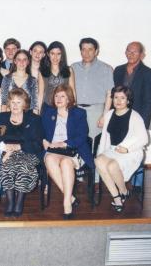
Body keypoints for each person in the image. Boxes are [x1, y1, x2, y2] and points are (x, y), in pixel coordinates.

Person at [42, 85, 94, 219]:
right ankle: (70, 197)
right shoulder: (48, 113)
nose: (58, 99)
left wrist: (64, 143)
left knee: (66, 163)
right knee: (49, 160)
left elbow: (83, 135)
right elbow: (39, 131)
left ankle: (67, 204)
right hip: (53, 149)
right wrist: (43, 140)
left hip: (72, 149)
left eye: (62, 96)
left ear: (69, 99)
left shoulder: (78, 113)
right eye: (56, 96)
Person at [95, 86, 148, 212]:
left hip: (130, 151)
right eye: (116, 97)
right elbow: (102, 130)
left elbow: (144, 139)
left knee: (112, 166)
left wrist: (127, 149)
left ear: (128, 101)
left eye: (122, 98)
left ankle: (123, 190)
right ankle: (117, 197)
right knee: (98, 161)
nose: (118, 101)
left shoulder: (135, 116)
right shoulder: (109, 114)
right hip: (113, 149)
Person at [0, 88, 44, 217]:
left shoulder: (34, 118)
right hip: (7, 153)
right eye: (12, 102)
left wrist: (19, 146)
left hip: (28, 152)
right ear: (9, 104)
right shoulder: (2, 117)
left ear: (25, 104)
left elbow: (38, 144)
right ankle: (10, 202)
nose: (15, 105)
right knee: (7, 167)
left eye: (18, 102)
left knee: (23, 167)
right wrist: (4, 147)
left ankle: (19, 202)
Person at [102, 42, 151, 130]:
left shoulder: (148, 73)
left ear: (142, 55)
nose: (131, 54)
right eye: (129, 51)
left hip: (136, 118)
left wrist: (143, 125)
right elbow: (112, 94)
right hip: (117, 116)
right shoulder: (118, 70)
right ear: (125, 52)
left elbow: (148, 101)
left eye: (135, 52)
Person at [71, 37, 114, 140]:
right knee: (76, 140)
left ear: (96, 51)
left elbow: (110, 94)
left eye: (90, 49)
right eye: (84, 49)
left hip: (96, 111)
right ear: (80, 51)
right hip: (76, 110)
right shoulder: (73, 67)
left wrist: (104, 116)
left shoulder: (106, 69)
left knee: (94, 142)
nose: (87, 53)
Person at [40, 41, 76, 110]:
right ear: (48, 54)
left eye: (58, 54)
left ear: (62, 55)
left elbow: (72, 91)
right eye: (52, 53)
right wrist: (38, 112)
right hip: (48, 107)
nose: (55, 57)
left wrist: (74, 108)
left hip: (65, 108)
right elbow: (41, 94)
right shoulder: (42, 71)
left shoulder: (69, 70)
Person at [29, 41, 47, 111]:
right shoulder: (23, 68)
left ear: (44, 55)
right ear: (30, 52)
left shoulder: (46, 71)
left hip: (42, 106)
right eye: (35, 51)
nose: (37, 54)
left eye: (40, 52)